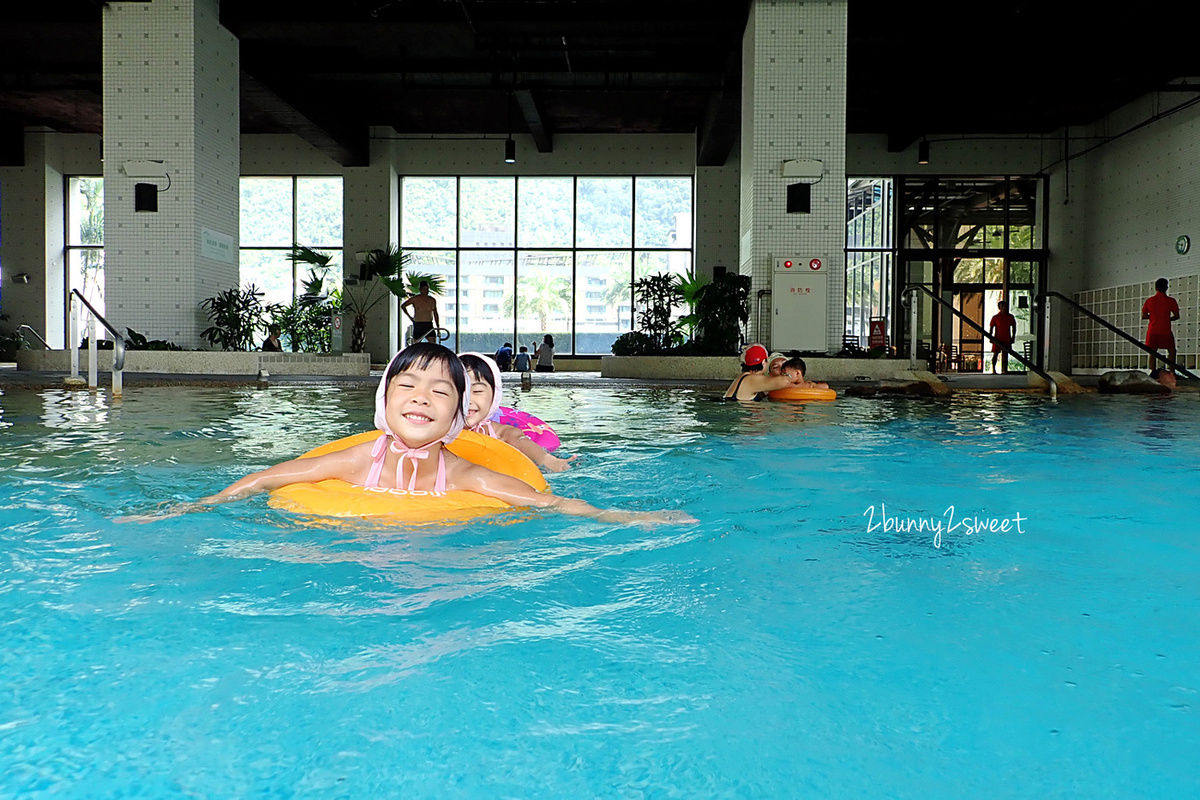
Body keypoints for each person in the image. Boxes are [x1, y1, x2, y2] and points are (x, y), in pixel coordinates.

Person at [132, 343, 692, 526]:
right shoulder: (357, 460)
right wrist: (189, 508)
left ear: (457, 420)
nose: (421, 396)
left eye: (440, 392)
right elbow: (267, 478)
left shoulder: (465, 472)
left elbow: (549, 500)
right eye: (407, 385)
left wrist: (630, 517)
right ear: (384, 402)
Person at [461, 353, 575, 472]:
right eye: (459, 391)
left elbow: (519, 440)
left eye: (477, 391)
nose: (467, 400)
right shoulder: (442, 431)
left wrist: (546, 460)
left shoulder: (498, 432)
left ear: (494, 396)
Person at [722, 344, 801, 401]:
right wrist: (790, 373)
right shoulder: (752, 379)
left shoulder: (745, 377)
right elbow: (785, 381)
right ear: (764, 362)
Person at [1142, 277, 1180, 372]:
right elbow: (1176, 316)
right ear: (1166, 288)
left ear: (1156, 288)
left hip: (1153, 330)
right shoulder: (1171, 301)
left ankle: (1153, 372)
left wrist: (1154, 317)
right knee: (1171, 351)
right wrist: (1167, 319)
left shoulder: (1150, 301)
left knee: (1152, 352)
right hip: (1165, 330)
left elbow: (1143, 316)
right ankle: (1172, 372)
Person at [987, 300, 1017, 373]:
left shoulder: (1010, 317)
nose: (1004, 308)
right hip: (997, 338)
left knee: (1005, 354)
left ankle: (1004, 369)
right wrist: (990, 337)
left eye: (1005, 306)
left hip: (1006, 337)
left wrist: (1013, 337)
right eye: (1002, 306)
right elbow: (991, 327)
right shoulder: (996, 317)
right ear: (999, 308)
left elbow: (1014, 327)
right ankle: (993, 369)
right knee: (996, 354)